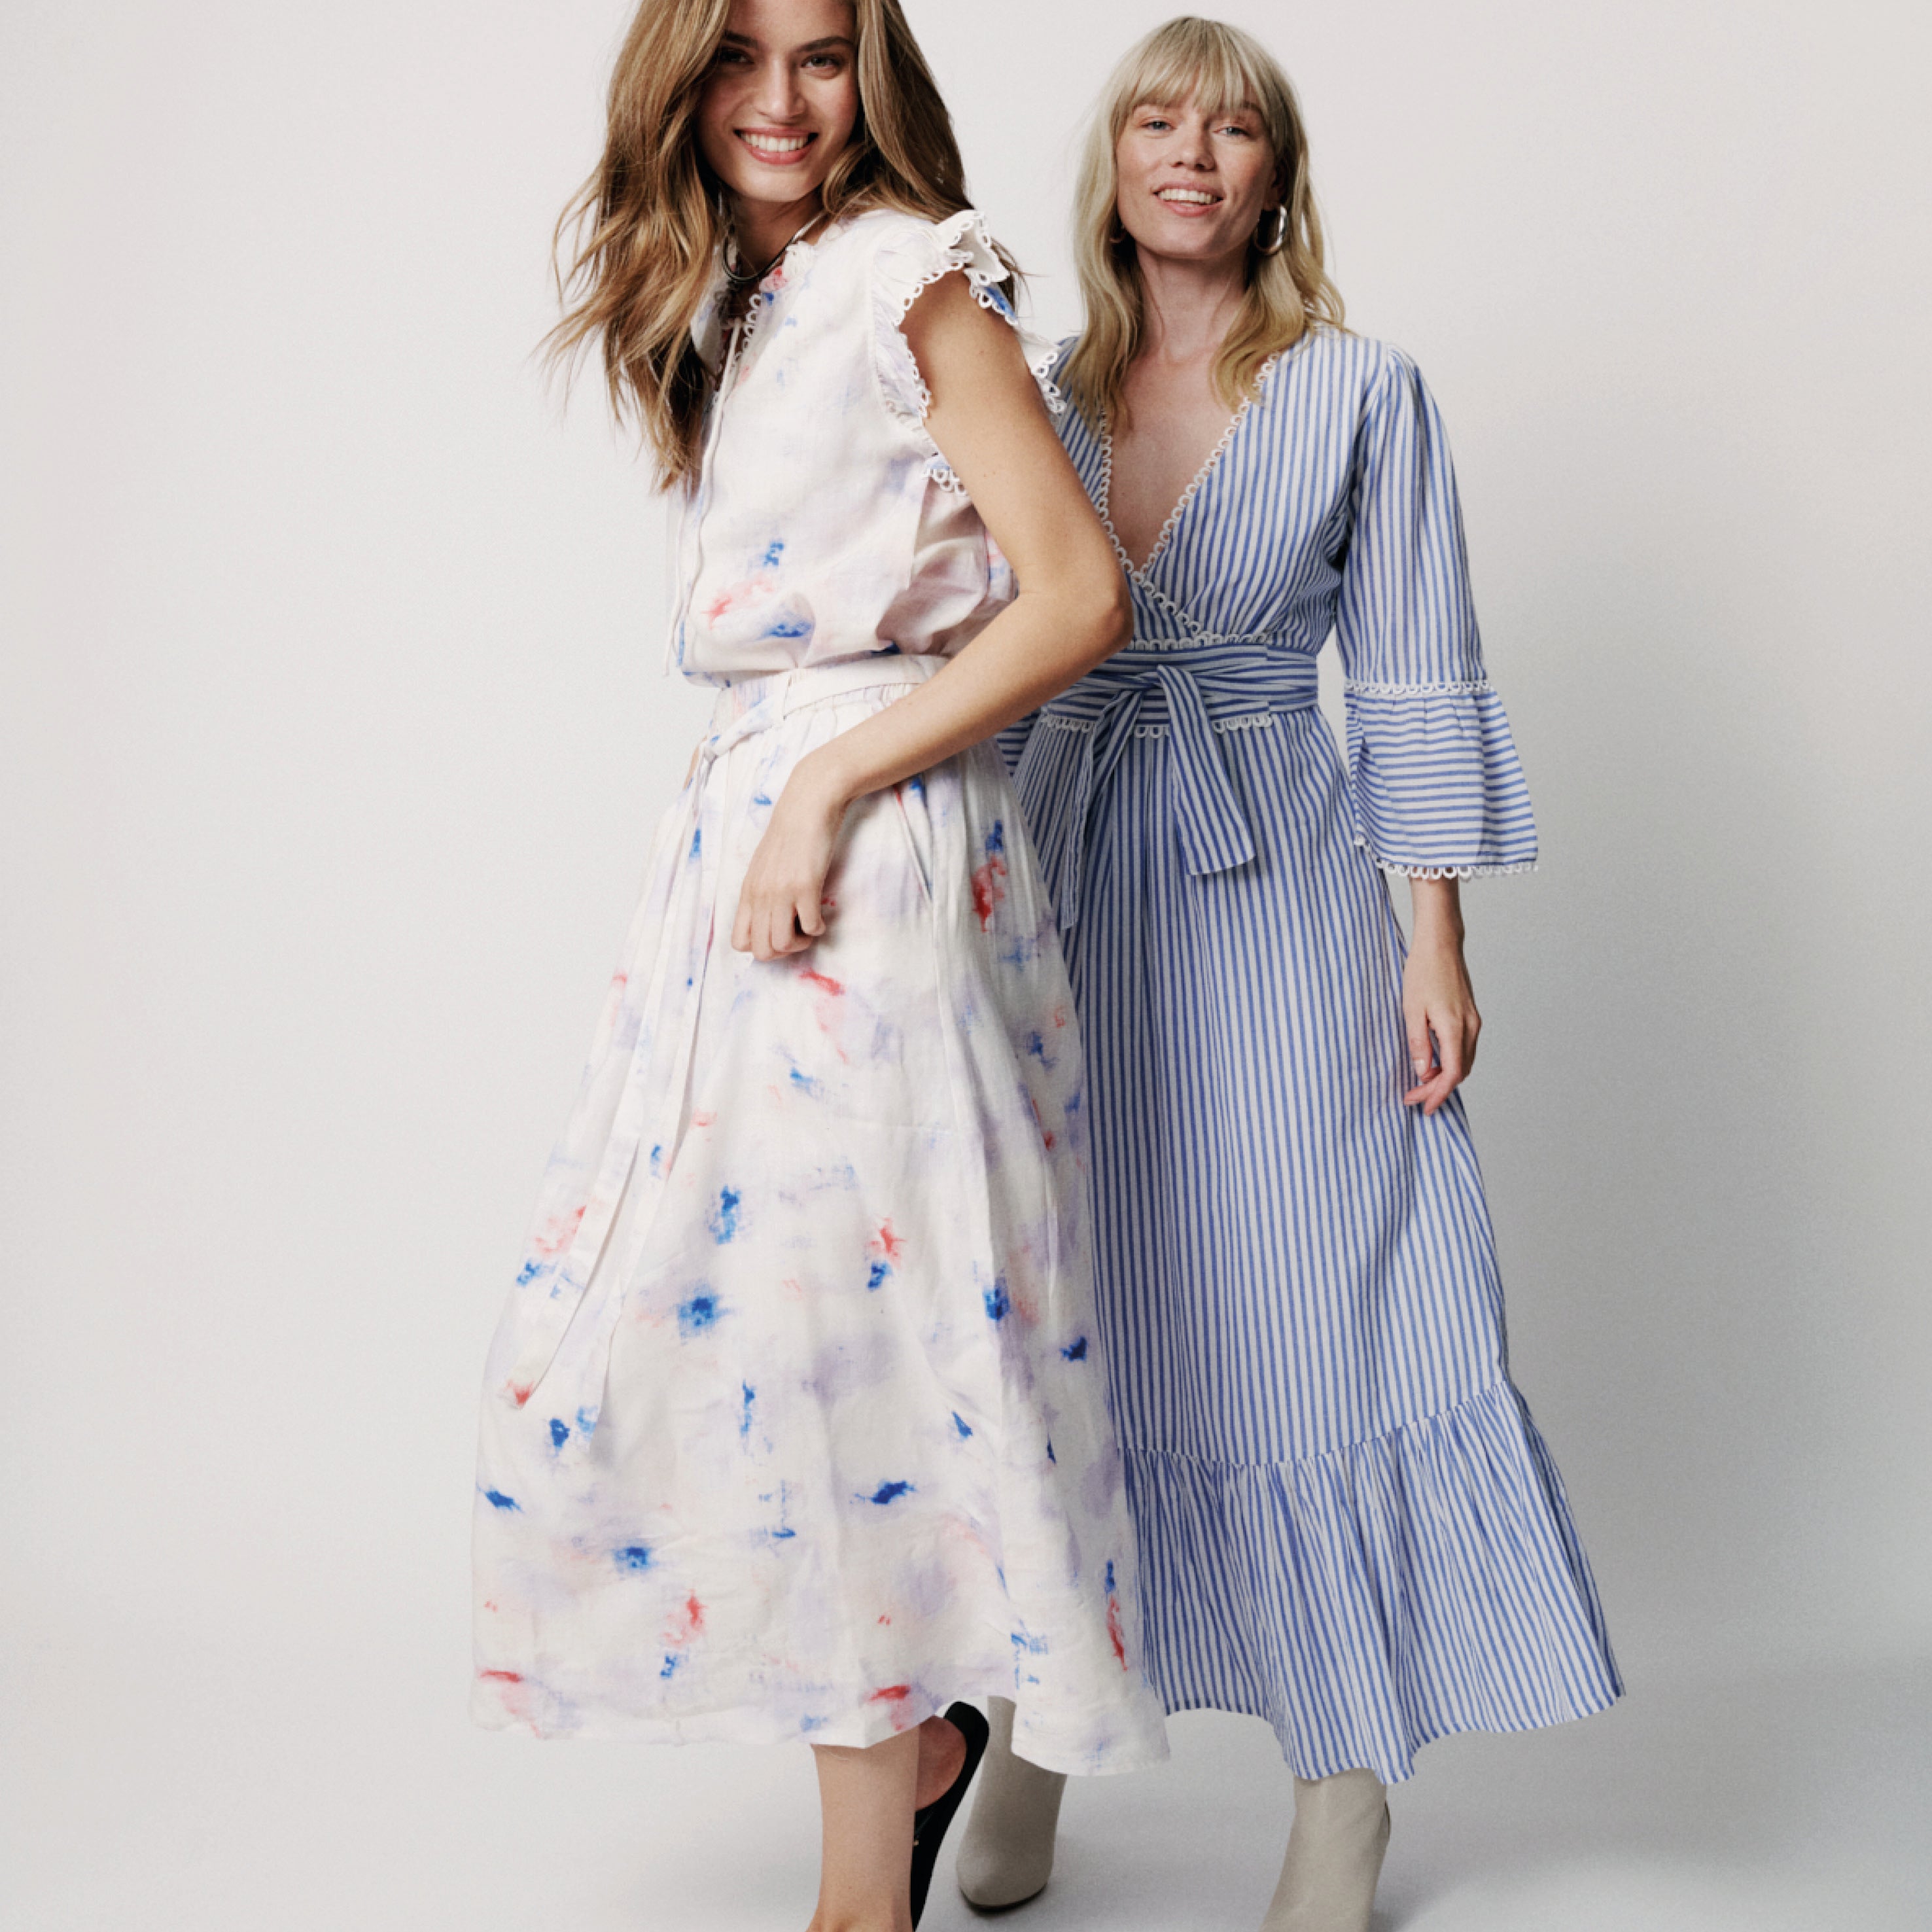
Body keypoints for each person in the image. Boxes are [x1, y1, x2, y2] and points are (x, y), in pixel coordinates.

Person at [469, 3, 1168, 1926]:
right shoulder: (759, 303)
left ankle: (865, 1890)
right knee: (765, 1349)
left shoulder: (905, 276)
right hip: (769, 843)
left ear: (876, 72)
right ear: (679, 82)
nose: (781, 100)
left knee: (855, 1356)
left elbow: (1080, 590)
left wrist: (831, 786)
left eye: (823, 53)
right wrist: (778, 803)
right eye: (738, 56)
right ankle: (914, 1767)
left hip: (870, 850)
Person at [957, 18, 1621, 1931]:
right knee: (1067, 1312)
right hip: (1063, 883)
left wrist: (1435, 933)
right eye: (1159, 120)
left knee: (1309, 1312)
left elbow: (1413, 664)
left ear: (1275, 177)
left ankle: (1345, 1780)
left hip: (1278, 895)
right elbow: (971, 652)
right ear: (1114, 163)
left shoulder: (1358, 391)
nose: (1193, 152)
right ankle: (1042, 1727)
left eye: (1233, 128)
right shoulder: (1030, 391)